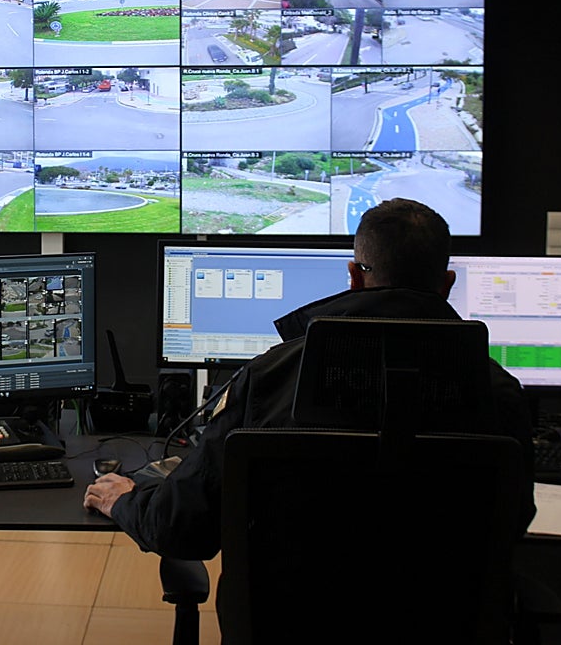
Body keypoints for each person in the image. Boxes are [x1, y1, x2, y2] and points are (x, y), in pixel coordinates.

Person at [83, 197, 535, 563]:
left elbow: (181, 529)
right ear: (447, 282)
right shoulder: (497, 393)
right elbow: (513, 521)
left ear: (354, 276)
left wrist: (124, 499)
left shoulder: (270, 377)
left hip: (288, 622)